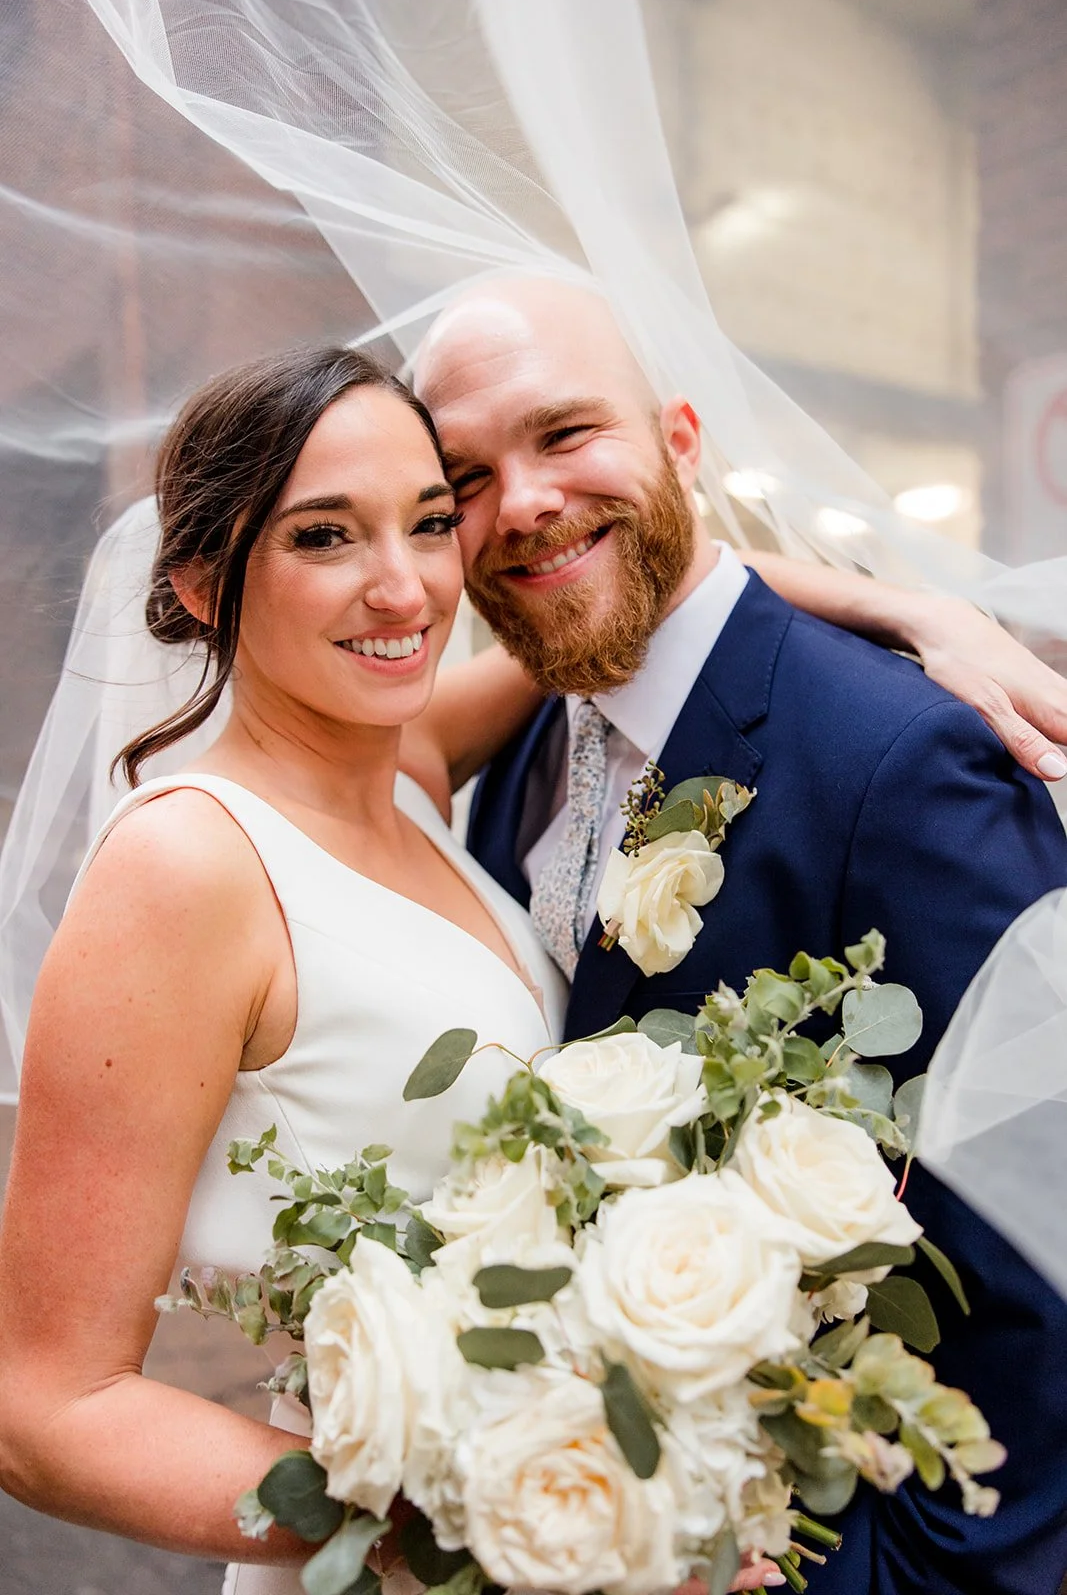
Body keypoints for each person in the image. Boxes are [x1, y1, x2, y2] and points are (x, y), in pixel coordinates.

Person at [0, 339, 1061, 1595]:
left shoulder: (412, 776)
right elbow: (43, 1411)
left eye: (429, 521)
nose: (401, 588)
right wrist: (487, 1513)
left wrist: (904, 608)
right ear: (200, 579)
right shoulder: (185, 863)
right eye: (323, 537)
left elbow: (629, 595)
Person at [410, 274, 1067, 1595]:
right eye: (464, 478)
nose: (522, 501)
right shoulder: (521, 744)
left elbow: (1044, 1272)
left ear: (682, 441)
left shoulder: (902, 762)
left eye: (564, 434)